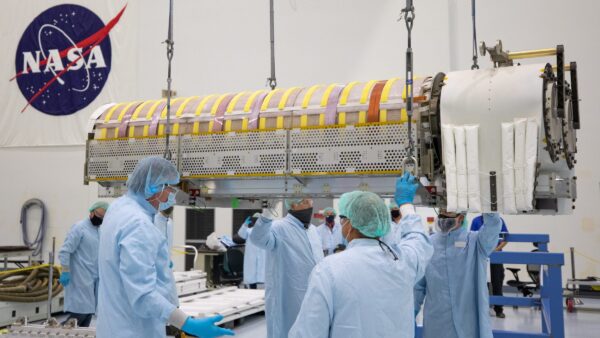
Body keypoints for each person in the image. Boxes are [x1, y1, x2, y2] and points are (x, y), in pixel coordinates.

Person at [96, 156, 234, 338]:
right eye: (170, 188)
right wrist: (187, 323)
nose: (172, 195)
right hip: (134, 329)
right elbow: (143, 296)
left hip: (113, 324)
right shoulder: (138, 225)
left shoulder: (118, 209)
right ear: (154, 188)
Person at [289, 173, 433, 338]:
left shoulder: (328, 270)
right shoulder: (403, 262)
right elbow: (419, 240)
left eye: (343, 218)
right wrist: (406, 204)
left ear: (351, 223)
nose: (341, 222)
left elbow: (308, 331)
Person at [414, 211, 503, 338]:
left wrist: (489, 207)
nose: (443, 219)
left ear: (461, 217)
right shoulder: (429, 243)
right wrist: (411, 312)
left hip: (468, 322)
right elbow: (418, 286)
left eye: (448, 216)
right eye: (441, 215)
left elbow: (493, 227)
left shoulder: (476, 242)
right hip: (437, 322)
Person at [249, 198, 324, 338]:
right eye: (305, 202)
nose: (310, 205)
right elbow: (257, 239)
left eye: (310, 201)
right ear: (293, 204)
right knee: (287, 331)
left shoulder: (313, 230)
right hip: (288, 298)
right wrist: (267, 215)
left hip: (314, 294)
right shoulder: (279, 227)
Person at [58, 201, 108, 327]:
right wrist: (65, 271)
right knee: (79, 314)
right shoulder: (79, 228)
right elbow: (65, 251)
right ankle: (58, 333)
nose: (100, 219)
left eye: (103, 217)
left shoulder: (99, 231)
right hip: (79, 278)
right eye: (99, 215)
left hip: (93, 280)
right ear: (91, 212)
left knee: (87, 315)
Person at [471, 214, 509, 318]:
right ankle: (482, 310)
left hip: (496, 257)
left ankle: (499, 309)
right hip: (481, 257)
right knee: (482, 284)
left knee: (497, 283)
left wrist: (495, 249)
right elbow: (472, 238)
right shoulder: (476, 221)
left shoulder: (499, 220)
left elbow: (505, 238)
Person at [154, 206, 178, 306]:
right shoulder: (153, 220)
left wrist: (168, 258)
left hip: (167, 265)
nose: (170, 206)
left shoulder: (170, 223)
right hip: (155, 266)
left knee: (172, 300)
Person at [237, 213, 265, 289]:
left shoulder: (266, 230)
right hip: (251, 258)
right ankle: (252, 289)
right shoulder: (249, 231)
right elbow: (241, 234)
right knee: (251, 278)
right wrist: (245, 225)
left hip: (263, 257)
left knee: (264, 276)